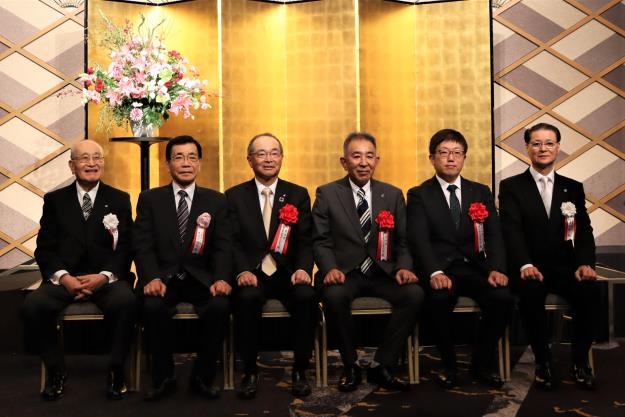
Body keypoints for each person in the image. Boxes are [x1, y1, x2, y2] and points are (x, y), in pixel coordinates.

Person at [21, 139, 136, 401]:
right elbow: (45, 249)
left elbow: (126, 247)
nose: (91, 163)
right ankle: (55, 370)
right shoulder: (55, 200)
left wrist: (104, 276)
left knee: (127, 302)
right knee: (33, 306)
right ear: (72, 165)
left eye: (97, 158)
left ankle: (116, 370)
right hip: (66, 279)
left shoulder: (119, 199)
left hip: (105, 279)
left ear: (103, 163)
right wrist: (64, 278)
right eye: (84, 158)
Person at [312, 131, 423, 392]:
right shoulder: (328, 193)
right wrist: (330, 268)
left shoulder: (392, 194)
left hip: (383, 272)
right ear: (344, 162)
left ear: (377, 160)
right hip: (345, 272)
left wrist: (403, 267)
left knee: (415, 294)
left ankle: (382, 364)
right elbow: (320, 239)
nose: (364, 162)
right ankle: (350, 365)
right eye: (356, 156)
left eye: (369, 156)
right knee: (334, 296)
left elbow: (403, 241)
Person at [406, 129, 514, 389]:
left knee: (503, 298)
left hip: (477, 268)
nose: (451, 158)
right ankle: (449, 365)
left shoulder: (480, 191)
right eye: (444, 153)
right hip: (442, 270)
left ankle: (481, 363)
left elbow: (494, 234)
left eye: (457, 153)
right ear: (432, 158)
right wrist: (434, 272)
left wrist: (497, 268)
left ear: (465, 157)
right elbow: (419, 239)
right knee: (438, 299)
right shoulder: (419, 194)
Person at [498, 122, 600, 391]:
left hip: (565, 267)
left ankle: (580, 362)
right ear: (528, 148)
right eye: (536, 143)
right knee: (530, 293)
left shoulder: (572, 187)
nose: (543, 148)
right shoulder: (511, 186)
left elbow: (584, 231)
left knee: (589, 291)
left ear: (558, 147)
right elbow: (511, 230)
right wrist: (524, 264)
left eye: (549, 143)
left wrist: (584, 264)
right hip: (529, 266)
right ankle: (543, 362)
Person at [133, 135, 233, 401]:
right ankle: (163, 378)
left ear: (199, 164)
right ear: (168, 164)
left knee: (220, 306)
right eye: (178, 157)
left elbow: (223, 246)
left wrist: (221, 278)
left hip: (202, 279)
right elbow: (143, 245)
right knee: (152, 306)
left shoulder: (216, 200)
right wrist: (151, 277)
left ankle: (202, 377)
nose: (186, 163)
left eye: (191, 157)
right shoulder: (150, 199)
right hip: (163, 277)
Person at [225, 133, 317, 399]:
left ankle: (300, 370)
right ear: (249, 160)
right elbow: (231, 241)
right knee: (247, 298)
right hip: (252, 273)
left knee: (306, 297)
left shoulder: (297, 194)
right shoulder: (234, 196)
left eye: (274, 153)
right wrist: (242, 271)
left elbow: (306, 240)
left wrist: (303, 269)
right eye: (261, 153)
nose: (268, 159)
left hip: (288, 273)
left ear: (282, 158)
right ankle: (250, 371)